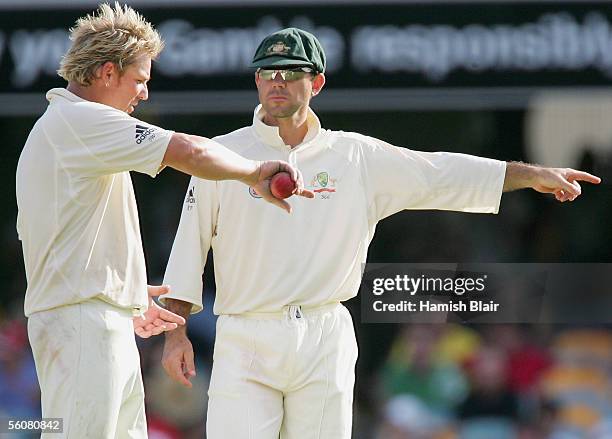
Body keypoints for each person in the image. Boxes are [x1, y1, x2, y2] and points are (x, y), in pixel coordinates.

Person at [159, 27, 601, 439]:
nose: (277, 81)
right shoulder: (221, 155)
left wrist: (531, 174)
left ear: (316, 84)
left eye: (292, 72)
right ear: (257, 82)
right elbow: (189, 246)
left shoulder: (355, 157)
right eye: (267, 73)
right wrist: (175, 334)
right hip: (246, 333)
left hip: (323, 332)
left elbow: (438, 172)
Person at [15, 5, 312, 439]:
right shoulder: (79, 121)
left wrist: (127, 293)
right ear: (107, 73)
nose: (144, 94)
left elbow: (73, 240)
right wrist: (254, 172)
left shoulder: (71, 130)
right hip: (82, 324)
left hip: (94, 320)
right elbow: (188, 151)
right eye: (140, 80)